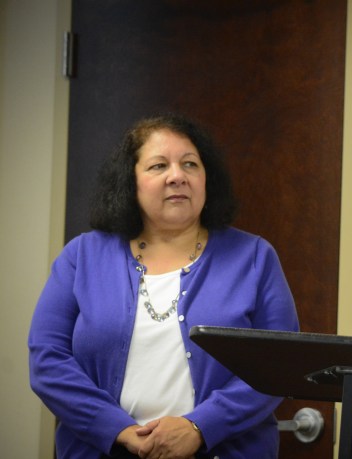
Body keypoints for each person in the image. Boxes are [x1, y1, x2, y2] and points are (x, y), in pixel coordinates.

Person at [28, 114, 299, 459]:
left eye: (190, 164)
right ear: (131, 181)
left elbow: (278, 365)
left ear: (206, 179)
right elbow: (48, 361)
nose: (177, 176)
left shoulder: (254, 257)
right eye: (158, 166)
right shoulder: (82, 256)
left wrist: (200, 426)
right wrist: (119, 430)